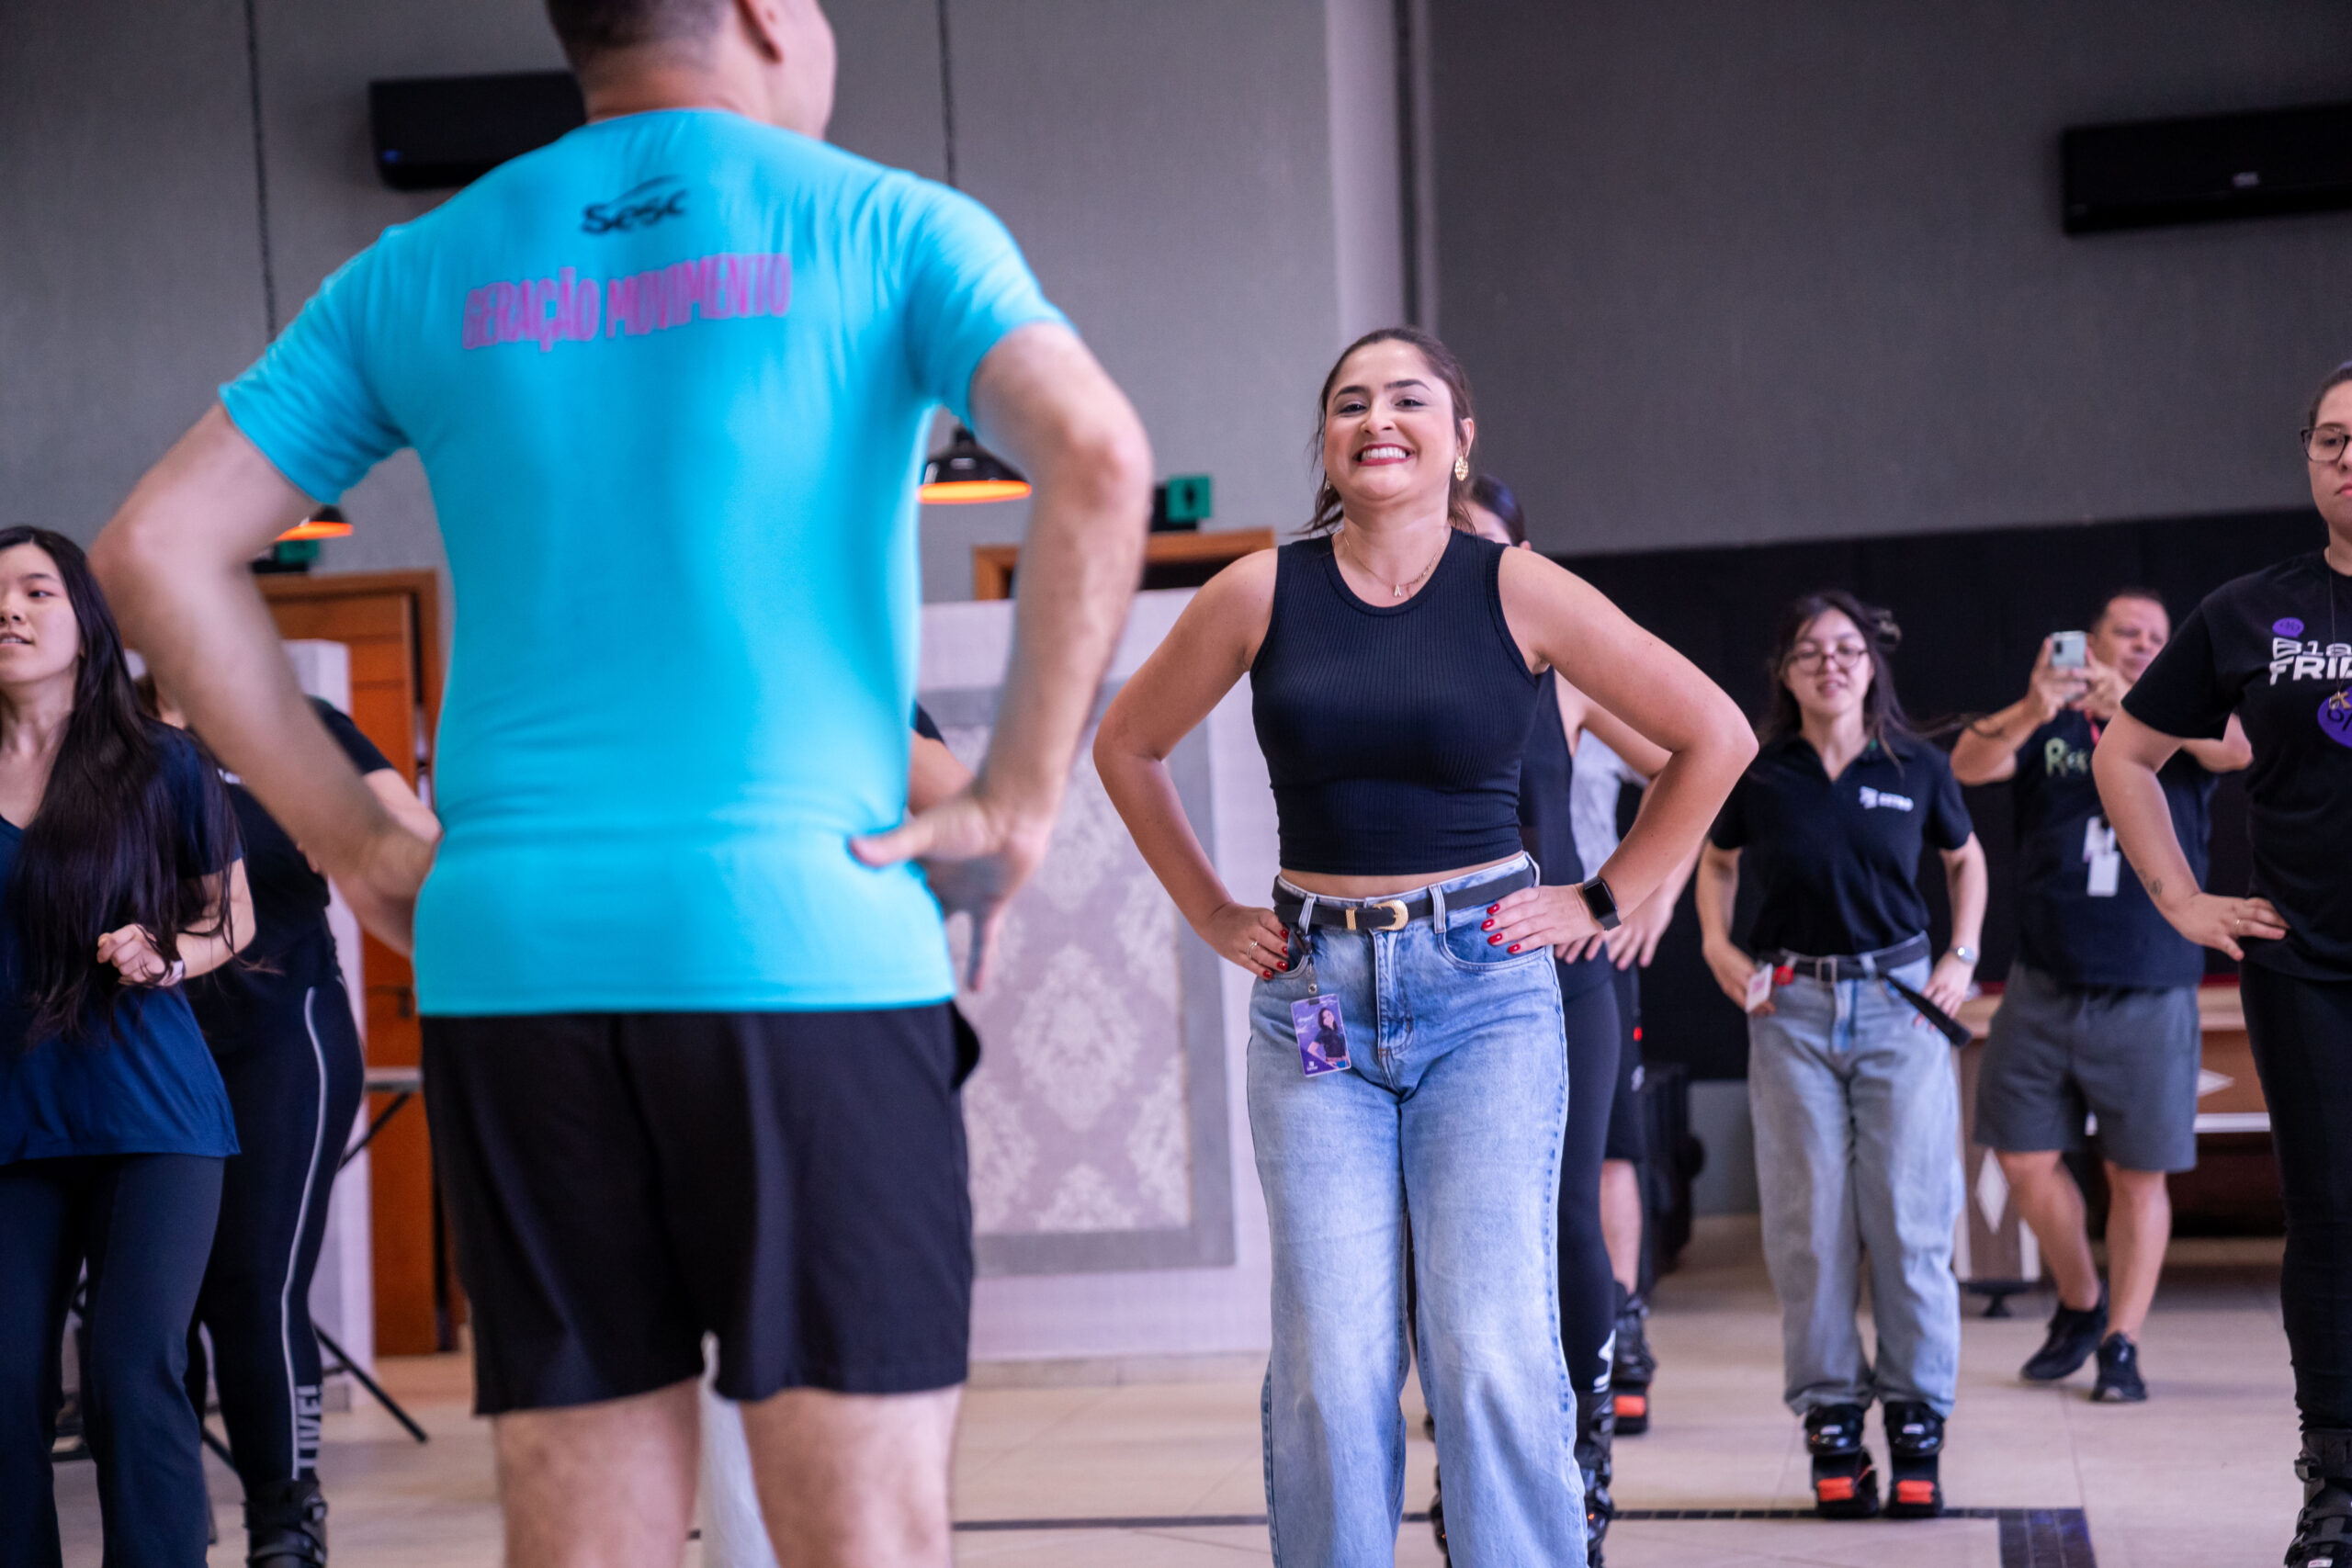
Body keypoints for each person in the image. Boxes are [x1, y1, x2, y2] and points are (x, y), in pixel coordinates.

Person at [90, 2, 1151, 1563]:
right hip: (806, 941)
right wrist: (1011, 800)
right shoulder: (878, 221)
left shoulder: (427, 262)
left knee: (582, 1537)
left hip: (514, 955)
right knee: (863, 1535)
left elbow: (150, 549)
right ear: (761, 12)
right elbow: (1103, 458)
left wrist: (353, 838)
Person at [1095, 326, 1752, 1567]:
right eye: (1350, 402)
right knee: (1333, 1364)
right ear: (1327, 447)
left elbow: (1714, 735)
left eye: (1409, 397)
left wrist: (1604, 897)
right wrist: (1210, 909)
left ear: (1462, 437)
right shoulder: (1259, 589)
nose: (1377, 418)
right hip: (1315, 1003)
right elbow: (1126, 744)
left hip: (1485, 994)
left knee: (1491, 1346)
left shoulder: (1516, 586)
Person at [2094, 361, 2352, 1567]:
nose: (2348, 456)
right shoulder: (2253, 608)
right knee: (2334, 1222)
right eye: (2331, 438)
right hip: (2305, 965)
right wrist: (2180, 897)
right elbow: (2128, 753)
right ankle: (2338, 1486)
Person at [1694, 589, 1987, 1521]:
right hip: (1790, 1010)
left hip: (1900, 1010)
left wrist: (1962, 956)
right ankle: (1829, 1423)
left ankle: (1914, 1427)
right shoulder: (1758, 770)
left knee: (1908, 1224)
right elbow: (1713, 861)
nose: (1831, 662)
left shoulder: (1916, 765)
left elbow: (1965, 860)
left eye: (1848, 648)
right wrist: (1717, 947)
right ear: (1783, 671)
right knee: (1810, 1230)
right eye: (1810, 650)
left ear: (1872, 666)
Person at [138, 676, 439, 1566]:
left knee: (255, 1287)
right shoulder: (102, 729)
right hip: (146, 1048)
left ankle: (286, 1527)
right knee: (158, 1302)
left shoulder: (296, 722)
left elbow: (416, 842)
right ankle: (168, 1515)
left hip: (283, 1038)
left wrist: (358, 835)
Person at [0, 528, 254, 1565]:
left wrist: (165, 958)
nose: (7, 612)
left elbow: (231, 921)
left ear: (86, 620)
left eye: (34, 591)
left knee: (128, 1371)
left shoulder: (162, 764)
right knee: (7, 1381)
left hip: (153, 1116)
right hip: (16, 1121)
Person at [1459, 474, 1687, 1562]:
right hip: (1437, 978)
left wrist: (1634, 894)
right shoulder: (1395, 663)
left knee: (1562, 1212)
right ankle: (1477, 1460)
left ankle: (1584, 1451)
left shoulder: (1562, 672)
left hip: (1561, 974)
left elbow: (1694, 765)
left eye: (1481, 543)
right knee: (1457, 1236)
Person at [1951, 592, 2249, 1404]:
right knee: (2020, 1153)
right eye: (2129, 632)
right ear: (2095, 639)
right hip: (2044, 976)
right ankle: (2081, 1300)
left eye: (2159, 637)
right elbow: (1966, 768)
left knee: (2137, 1172)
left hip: (2150, 979)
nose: (2144, 644)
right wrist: (2031, 702)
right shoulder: (2049, 715)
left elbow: (2237, 751)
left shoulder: (2181, 717)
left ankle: (2122, 1339)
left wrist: (2149, 708)